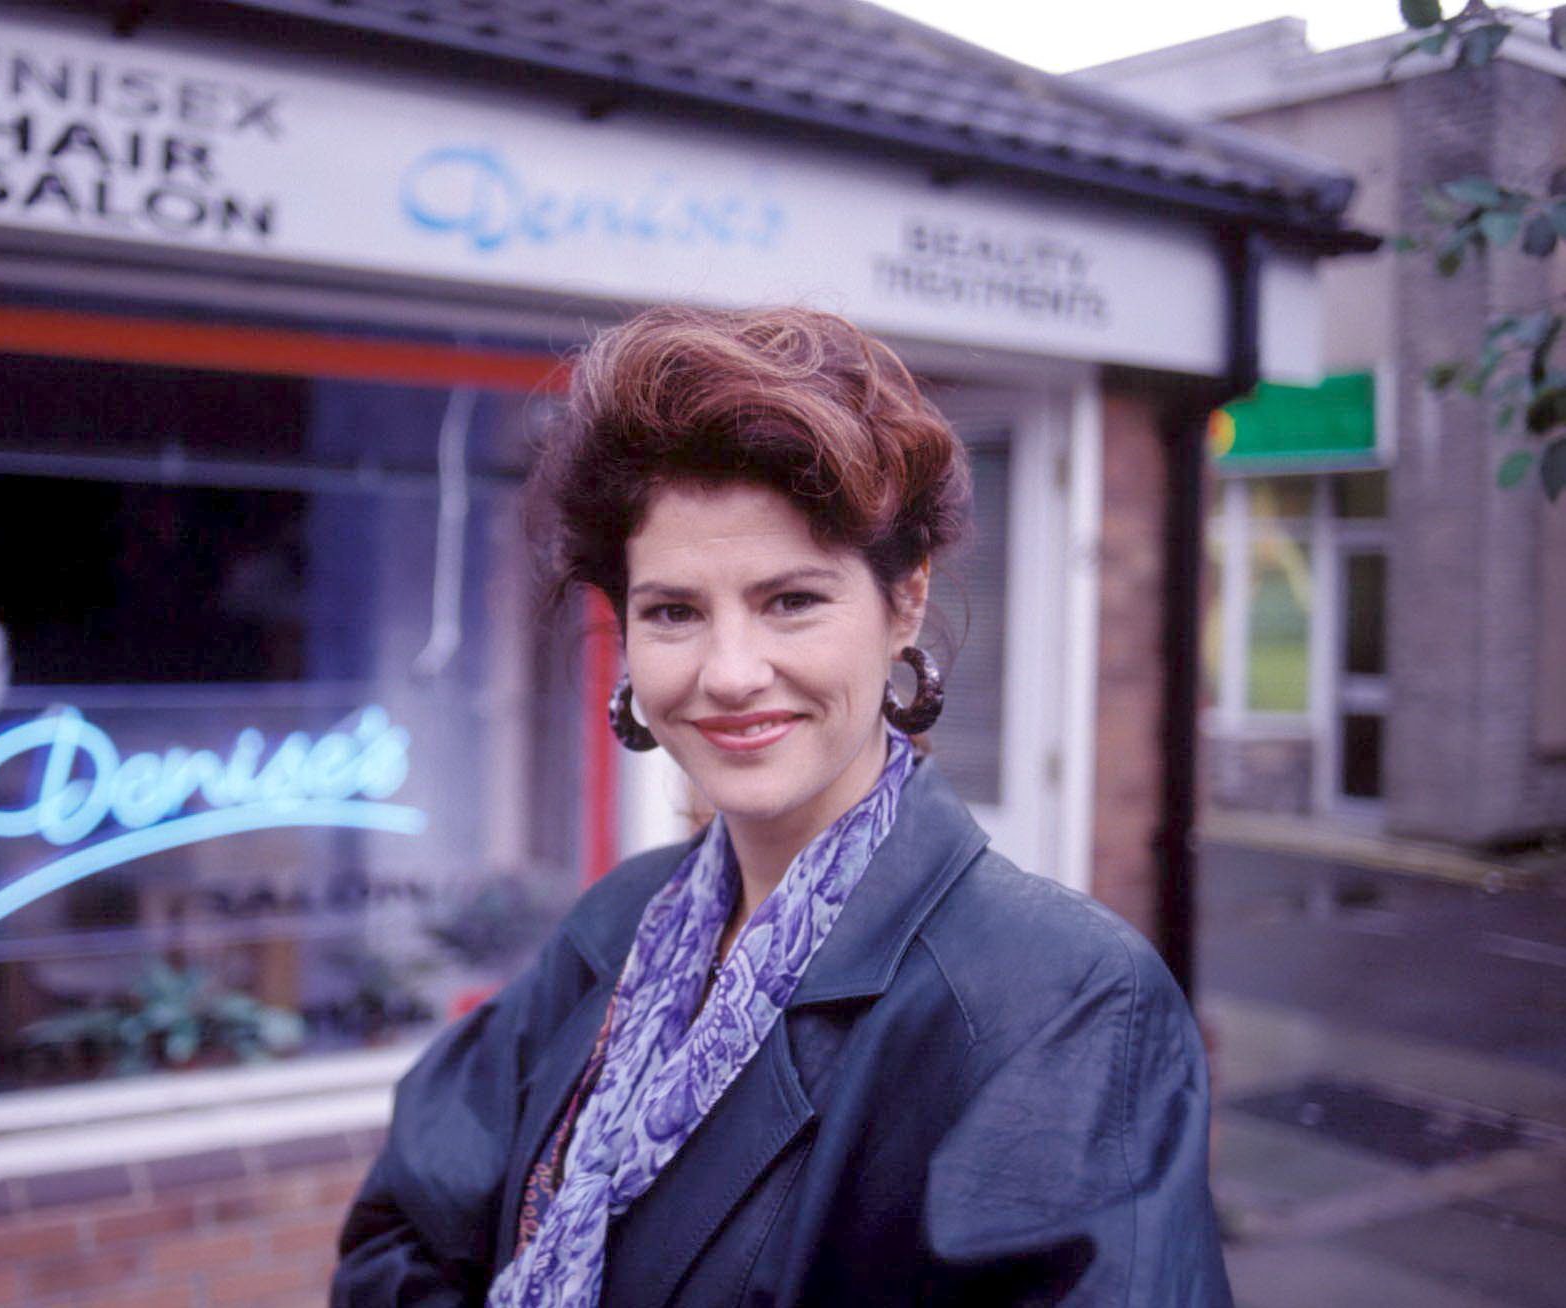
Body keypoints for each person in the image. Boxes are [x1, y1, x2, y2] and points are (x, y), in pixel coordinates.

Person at [333, 306, 1232, 1306]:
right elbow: (400, 1235)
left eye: (791, 600)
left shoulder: (1060, 1003)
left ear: (903, 603)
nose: (728, 673)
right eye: (673, 611)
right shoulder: (615, 928)